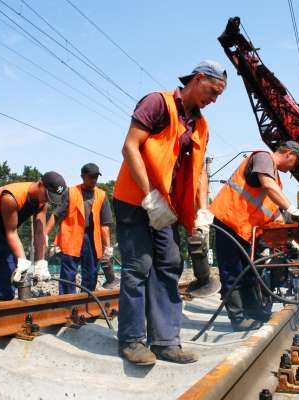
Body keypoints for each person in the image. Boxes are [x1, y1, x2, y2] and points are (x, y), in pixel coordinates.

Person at [113, 60, 227, 365]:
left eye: (218, 96)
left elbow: (200, 171)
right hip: (136, 200)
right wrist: (150, 197)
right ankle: (132, 340)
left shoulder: (201, 125)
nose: (213, 100)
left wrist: (202, 212)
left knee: (169, 263)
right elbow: (130, 147)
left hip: (168, 207)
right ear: (199, 77)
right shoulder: (157, 103)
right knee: (139, 265)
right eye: (213, 91)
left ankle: (165, 341)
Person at [209, 142, 299, 331]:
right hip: (229, 221)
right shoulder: (264, 159)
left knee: (249, 271)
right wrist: (292, 209)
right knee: (232, 271)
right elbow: (268, 186)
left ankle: (255, 312)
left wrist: (290, 238)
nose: (291, 170)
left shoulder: (274, 179)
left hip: (244, 230)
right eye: (295, 164)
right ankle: (238, 318)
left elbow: (273, 215)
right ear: (289, 153)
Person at [0, 172, 66, 304]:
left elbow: (39, 233)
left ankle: (5, 312)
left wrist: (41, 262)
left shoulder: (42, 202)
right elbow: (12, 232)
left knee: (8, 277)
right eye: (47, 196)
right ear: (40, 184)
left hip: (6, 234)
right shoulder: (11, 197)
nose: (47, 200)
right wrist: (22, 259)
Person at [46, 163, 116, 294]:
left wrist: (108, 247)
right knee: (68, 274)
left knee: (91, 273)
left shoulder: (102, 195)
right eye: (91, 177)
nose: (94, 180)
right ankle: (67, 305)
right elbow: (56, 215)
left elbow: (105, 224)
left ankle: (86, 304)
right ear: (83, 176)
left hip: (92, 238)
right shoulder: (71, 192)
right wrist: (44, 235)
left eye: (96, 177)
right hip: (71, 236)